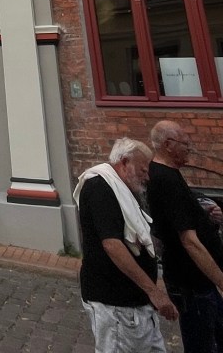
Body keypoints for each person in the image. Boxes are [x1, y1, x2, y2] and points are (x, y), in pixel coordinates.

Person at [74, 136, 177, 352]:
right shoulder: (100, 187)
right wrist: (154, 292)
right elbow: (112, 244)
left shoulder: (123, 187)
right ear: (124, 163)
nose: (147, 177)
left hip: (135, 303)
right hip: (115, 304)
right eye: (143, 170)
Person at [147, 120, 223, 353]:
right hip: (192, 282)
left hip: (197, 281)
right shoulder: (165, 180)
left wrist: (203, 215)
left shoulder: (169, 174)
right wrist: (221, 280)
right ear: (168, 145)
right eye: (185, 143)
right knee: (203, 343)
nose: (189, 147)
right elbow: (189, 241)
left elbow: (179, 216)